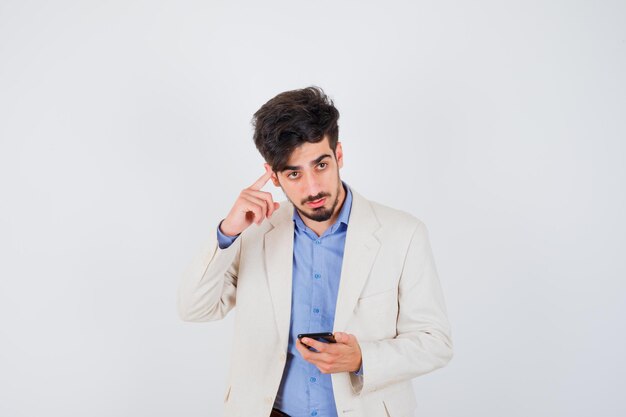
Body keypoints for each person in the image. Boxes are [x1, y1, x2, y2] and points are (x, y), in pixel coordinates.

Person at [178, 86, 453, 417]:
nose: (312, 188)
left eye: (320, 165)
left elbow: (436, 342)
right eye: (294, 173)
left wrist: (363, 358)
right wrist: (227, 232)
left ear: (338, 155)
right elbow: (195, 308)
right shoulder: (255, 231)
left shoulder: (403, 234)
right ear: (274, 177)